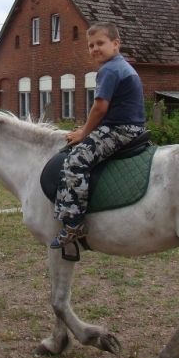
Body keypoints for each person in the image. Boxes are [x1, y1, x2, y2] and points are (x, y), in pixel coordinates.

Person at [50, 23, 145, 248]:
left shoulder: (110, 70)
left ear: (116, 44)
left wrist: (84, 133)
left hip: (121, 129)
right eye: (91, 45)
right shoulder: (119, 66)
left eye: (100, 43)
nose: (95, 49)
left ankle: (74, 224)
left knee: (76, 161)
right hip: (127, 125)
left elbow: (100, 108)